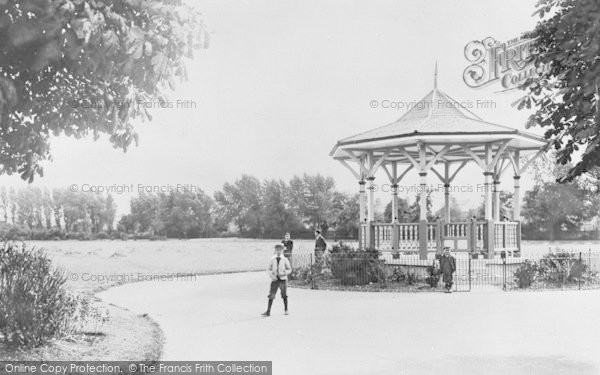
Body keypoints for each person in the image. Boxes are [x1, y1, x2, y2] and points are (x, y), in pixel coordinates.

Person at [262, 244, 292, 317]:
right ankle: (268, 311)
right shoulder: (272, 259)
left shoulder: (285, 259)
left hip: (283, 279)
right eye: (277, 250)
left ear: (282, 251)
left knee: (284, 295)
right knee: (271, 295)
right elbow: (269, 269)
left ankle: (286, 309)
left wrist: (285, 273)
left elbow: (289, 269)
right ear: (275, 251)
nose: (278, 251)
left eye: (280, 250)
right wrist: (272, 275)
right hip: (275, 280)